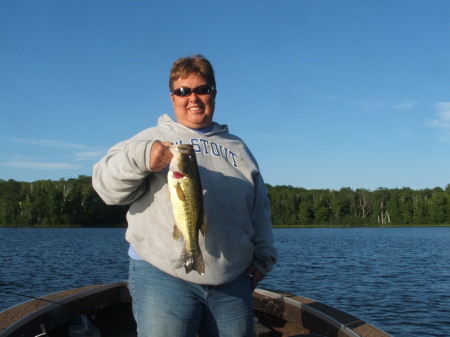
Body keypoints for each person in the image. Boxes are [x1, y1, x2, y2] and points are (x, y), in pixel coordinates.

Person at [92, 55, 277, 337]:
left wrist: (263, 257)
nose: (193, 98)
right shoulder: (150, 137)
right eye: (183, 91)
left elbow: (259, 207)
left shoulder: (238, 148)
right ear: (172, 97)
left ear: (214, 93)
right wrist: (142, 157)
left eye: (202, 89)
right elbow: (105, 187)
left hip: (233, 279)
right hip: (161, 276)